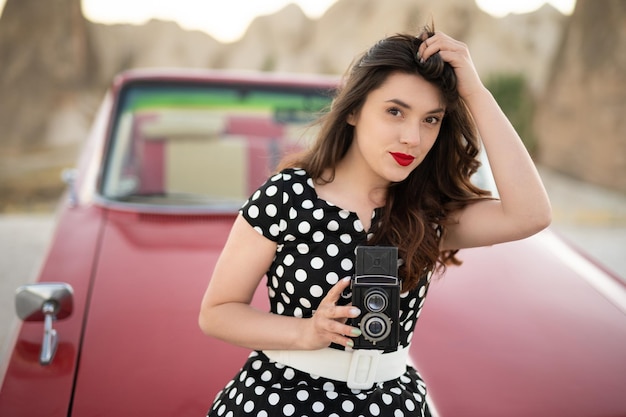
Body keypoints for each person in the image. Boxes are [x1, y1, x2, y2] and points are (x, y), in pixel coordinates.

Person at [199, 25, 551, 417]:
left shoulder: (428, 209)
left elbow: (530, 215)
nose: (412, 138)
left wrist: (475, 93)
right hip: (281, 401)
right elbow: (217, 311)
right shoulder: (289, 196)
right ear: (353, 109)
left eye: (430, 119)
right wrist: (305, 331)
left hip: (392, 404)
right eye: (395, 111)